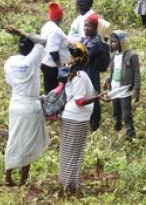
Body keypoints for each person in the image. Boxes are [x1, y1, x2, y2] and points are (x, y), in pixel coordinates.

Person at [2, 25, 49, 186]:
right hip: (30, 106)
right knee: (28, 141)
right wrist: (21, 32)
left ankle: (8, 176)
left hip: (15, 104)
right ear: (31, 49)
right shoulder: (32, 60)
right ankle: (23, 179)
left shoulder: (10, 62)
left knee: (13, 138)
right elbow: (43, 41)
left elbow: (9, 83)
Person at [59, 43, 99, 196]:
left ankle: (66, 184)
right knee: (75, 154)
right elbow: (80, 101)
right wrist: (98, 97)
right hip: (76, 118)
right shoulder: (81, 76)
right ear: (84, 59)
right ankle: (70, 188)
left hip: (70, 116)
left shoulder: (67, 71)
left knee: (67, 152)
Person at [105, 31, 140, 141]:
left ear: (122, 42)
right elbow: (113, 70)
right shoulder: (114, 55)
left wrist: (137, 89)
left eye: (115, 42)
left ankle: (130, 135)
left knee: (126, 114)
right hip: (115, 89)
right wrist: (107, 81)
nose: (113, 44)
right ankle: (118, 131)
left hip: (125, 89)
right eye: (112, 42)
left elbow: (137, 74)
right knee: (116, 113)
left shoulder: (132, 55)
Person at [81, 13, 109, 132]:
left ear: (95, 28)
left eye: (89, 26)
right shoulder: (87, 39)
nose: (86, 28)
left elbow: (81, 56)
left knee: (94, 97)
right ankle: (90, 122)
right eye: (85, 25)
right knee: (88, 96)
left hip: (91, 73)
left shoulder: (95, 43)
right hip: (85, 72)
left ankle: (95, 124)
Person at [41, 2, 70, 93]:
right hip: (53, 67)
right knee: (54, 92)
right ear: (59, 17)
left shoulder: (47, 26)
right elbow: (53, 52)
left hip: (47, 63)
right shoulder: (54, 31)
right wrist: (60, 68)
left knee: (50, 89)